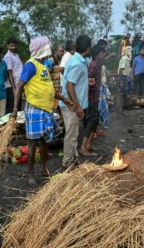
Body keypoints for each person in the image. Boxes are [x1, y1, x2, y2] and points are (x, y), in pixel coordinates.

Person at [12, 37, 74, 185]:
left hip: (46, 109)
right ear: (41, 49)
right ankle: (31, 175)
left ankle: (43, 168)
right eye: (47, 46)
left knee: (44, 141)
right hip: (34, 109)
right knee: (32, 143)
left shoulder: (44, 66)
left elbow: (49, 89)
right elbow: (20, 86)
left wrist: (64, 99)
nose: (49, 49)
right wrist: (15, 109)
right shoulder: (31, 65)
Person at [59, 35, 92, 168]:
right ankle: (67, 161)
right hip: (71, 105)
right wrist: (78, 106)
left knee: (74, 133)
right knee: (71, 134)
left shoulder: (77, 60)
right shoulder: (77, 63)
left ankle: (73, 158)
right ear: (88, 48)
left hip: (71, 103)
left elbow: (73, 82)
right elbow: (69, 85)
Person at [80, 44, 105, 157]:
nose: (104, 55)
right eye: (102, 53)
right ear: (97, 54)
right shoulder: (93, 66)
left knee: (94, 121)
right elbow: (89, 83)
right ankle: (83, 147)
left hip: (95, 97)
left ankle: (88, 144)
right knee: (90, 120)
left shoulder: (98, 65)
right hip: (90, 98)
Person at [4, 37, 23, 114]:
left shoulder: (16, 56)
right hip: (12, 87)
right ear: (7, 46)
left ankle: (16, 125)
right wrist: (14, 88)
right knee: (12, 108)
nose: (14, 47)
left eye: (15, 46)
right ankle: (10, 125)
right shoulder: (8, 56)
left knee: (18, 108)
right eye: (12, 46)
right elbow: (9, 72)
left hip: (18, 86)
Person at [117, 45, 132, 111]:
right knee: (121, 95)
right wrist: (121, 81)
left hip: (126, 77)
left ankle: (121, 110)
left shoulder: (127, 59)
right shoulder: (124, 59)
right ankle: (119, 110)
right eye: (130, 51)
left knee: (124, 94)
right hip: (123, 78)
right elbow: (120, 70)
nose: (130, 52)